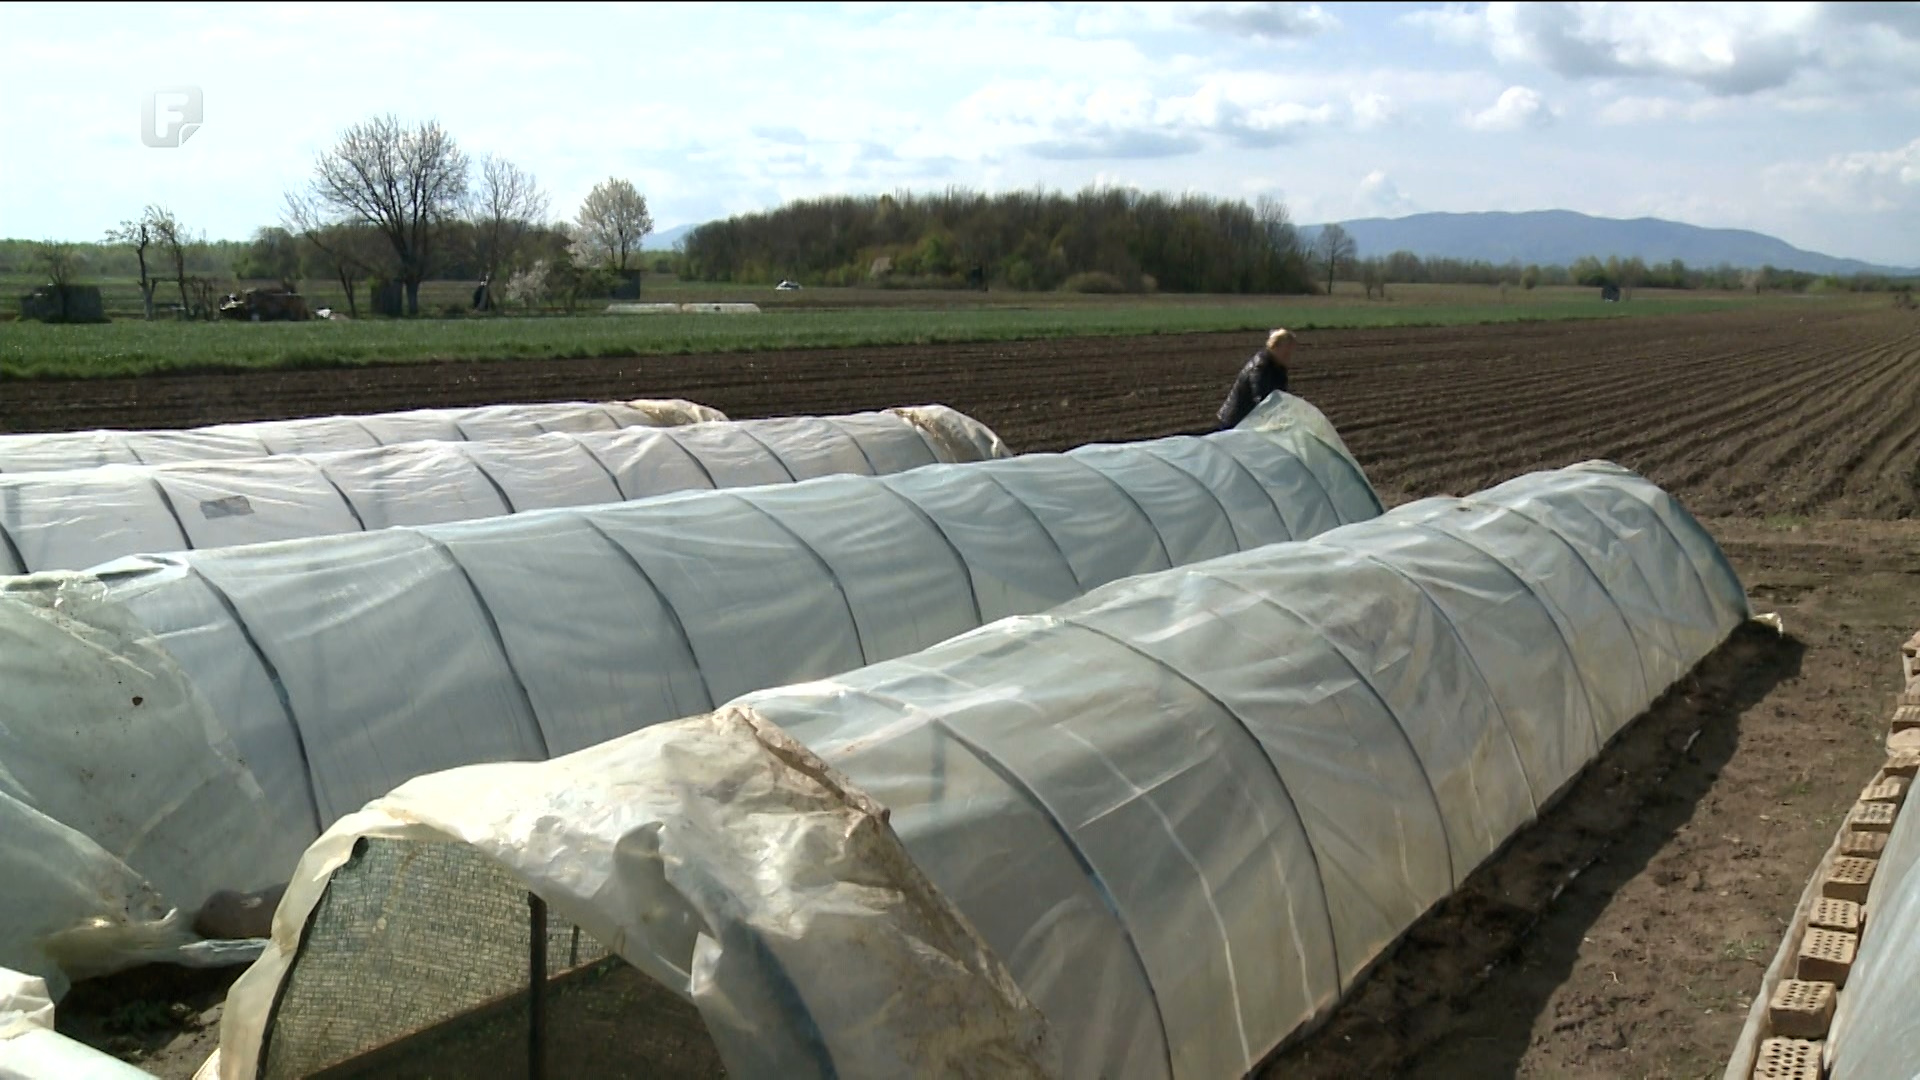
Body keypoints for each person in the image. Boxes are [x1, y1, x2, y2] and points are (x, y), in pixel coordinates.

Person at [1215, 328, 1296, 430]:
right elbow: (1261, 396)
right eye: (1286, 353)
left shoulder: (1279, 367)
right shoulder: (1261, 366)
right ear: (1275, 347)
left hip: (1251, 421)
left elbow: (1281, 395)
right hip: (1236, 422)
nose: (1289, 357)